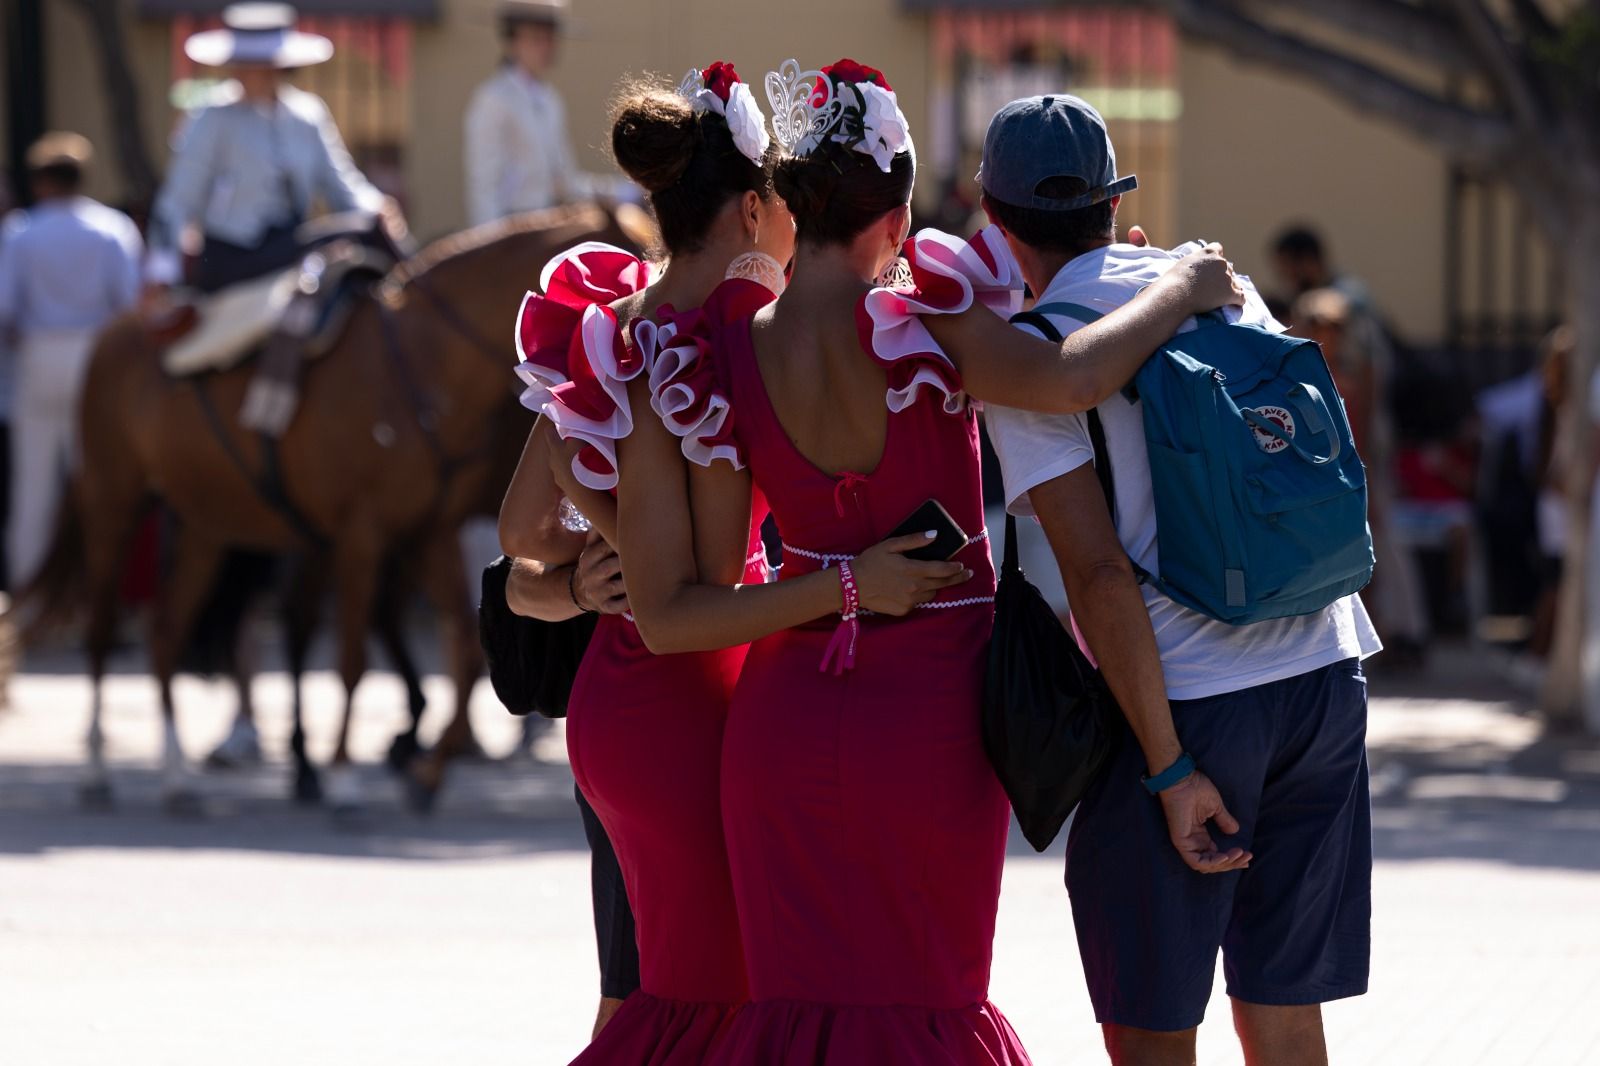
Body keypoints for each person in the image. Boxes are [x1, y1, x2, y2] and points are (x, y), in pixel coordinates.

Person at [617, 60, 1242, 1062]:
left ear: (789, 200)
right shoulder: (917, 317)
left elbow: (703, 587)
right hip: (930, 716)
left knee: (792, 1020)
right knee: (926, 1008)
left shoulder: (728, 353)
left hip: (779, 721)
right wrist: (1178, 286)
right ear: (897, 211)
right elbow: (1067, 376)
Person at [978, 96, 1382, 1066]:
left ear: (995, 223)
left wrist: (1166, 769)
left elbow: (1099, 575)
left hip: (1188, 701)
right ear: (1116, 202)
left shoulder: (1036, 352)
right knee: (1286, 1016)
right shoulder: (1216, 283)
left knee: (1153, 1030)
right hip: (1327, 670)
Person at [499, 65, 796, 1060]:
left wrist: (586, 568)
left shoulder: (610, 325)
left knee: (672, 994)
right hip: (701, 696)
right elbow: (710, 573)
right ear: (754, 209)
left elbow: (518, 537)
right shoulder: (733, 342)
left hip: (617, 698)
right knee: (710, 1002)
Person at [148, 2, 398, 295]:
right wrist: (161, 271)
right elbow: (178, 200)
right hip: (230, 256)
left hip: (291, 248)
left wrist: (377, 208)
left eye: (258, 63)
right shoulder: (212, 117)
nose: (247, 71)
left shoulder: (307, 115)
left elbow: (342, 184)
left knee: (364, 244)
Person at [0, 132, 143, 589]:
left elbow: (5, 311)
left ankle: (28, 594)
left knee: (33, 486)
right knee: (99, 482)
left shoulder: (20, 232)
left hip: (39, 357)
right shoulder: (112, 228)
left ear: (41, 181)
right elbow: (130, 305)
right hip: (97, 360)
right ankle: (98, 594)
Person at [464, 0, 629, 227]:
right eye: (535, 38)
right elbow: (484, 185)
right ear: (513, 41)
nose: (546, 47)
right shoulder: (492, 99)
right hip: (510, 230)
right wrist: (490, 248)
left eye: (550, 38)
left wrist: (623, 191)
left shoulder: (549, 99)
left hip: (548, 226)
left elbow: (565, 182)